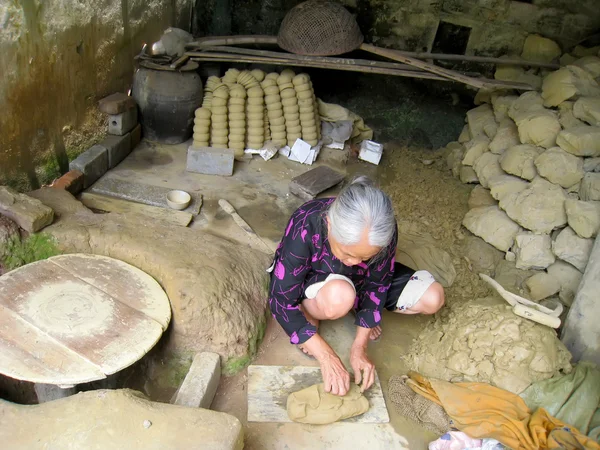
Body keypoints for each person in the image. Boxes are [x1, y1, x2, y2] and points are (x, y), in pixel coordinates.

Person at [267, 176, 445, 396]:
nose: (356, 262)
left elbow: (379, 283)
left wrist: (359, 347)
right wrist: (327, 357)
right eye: (348, 254)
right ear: (330, 225)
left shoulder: (382, 229)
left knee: (433, 298)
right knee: (340, 297)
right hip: (319, 280)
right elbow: (280, 300)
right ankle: (312, 310)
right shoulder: (307, 222)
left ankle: (357, 309)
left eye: (366, 256)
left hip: (363, 281)